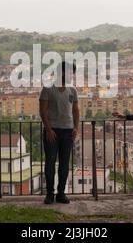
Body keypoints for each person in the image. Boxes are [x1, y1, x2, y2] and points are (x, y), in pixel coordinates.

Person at [39, 61, 79, 204]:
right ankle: (50, 193)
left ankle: (61, 193)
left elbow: (75, 110)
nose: (72, 75)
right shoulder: (48, 88)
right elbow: (42, 111)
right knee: (50, 162)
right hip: (53, 131)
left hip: (67, 131)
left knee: (64, 163)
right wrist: (48, 129)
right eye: (70, 72)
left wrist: (76, 128)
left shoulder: (72, 90)